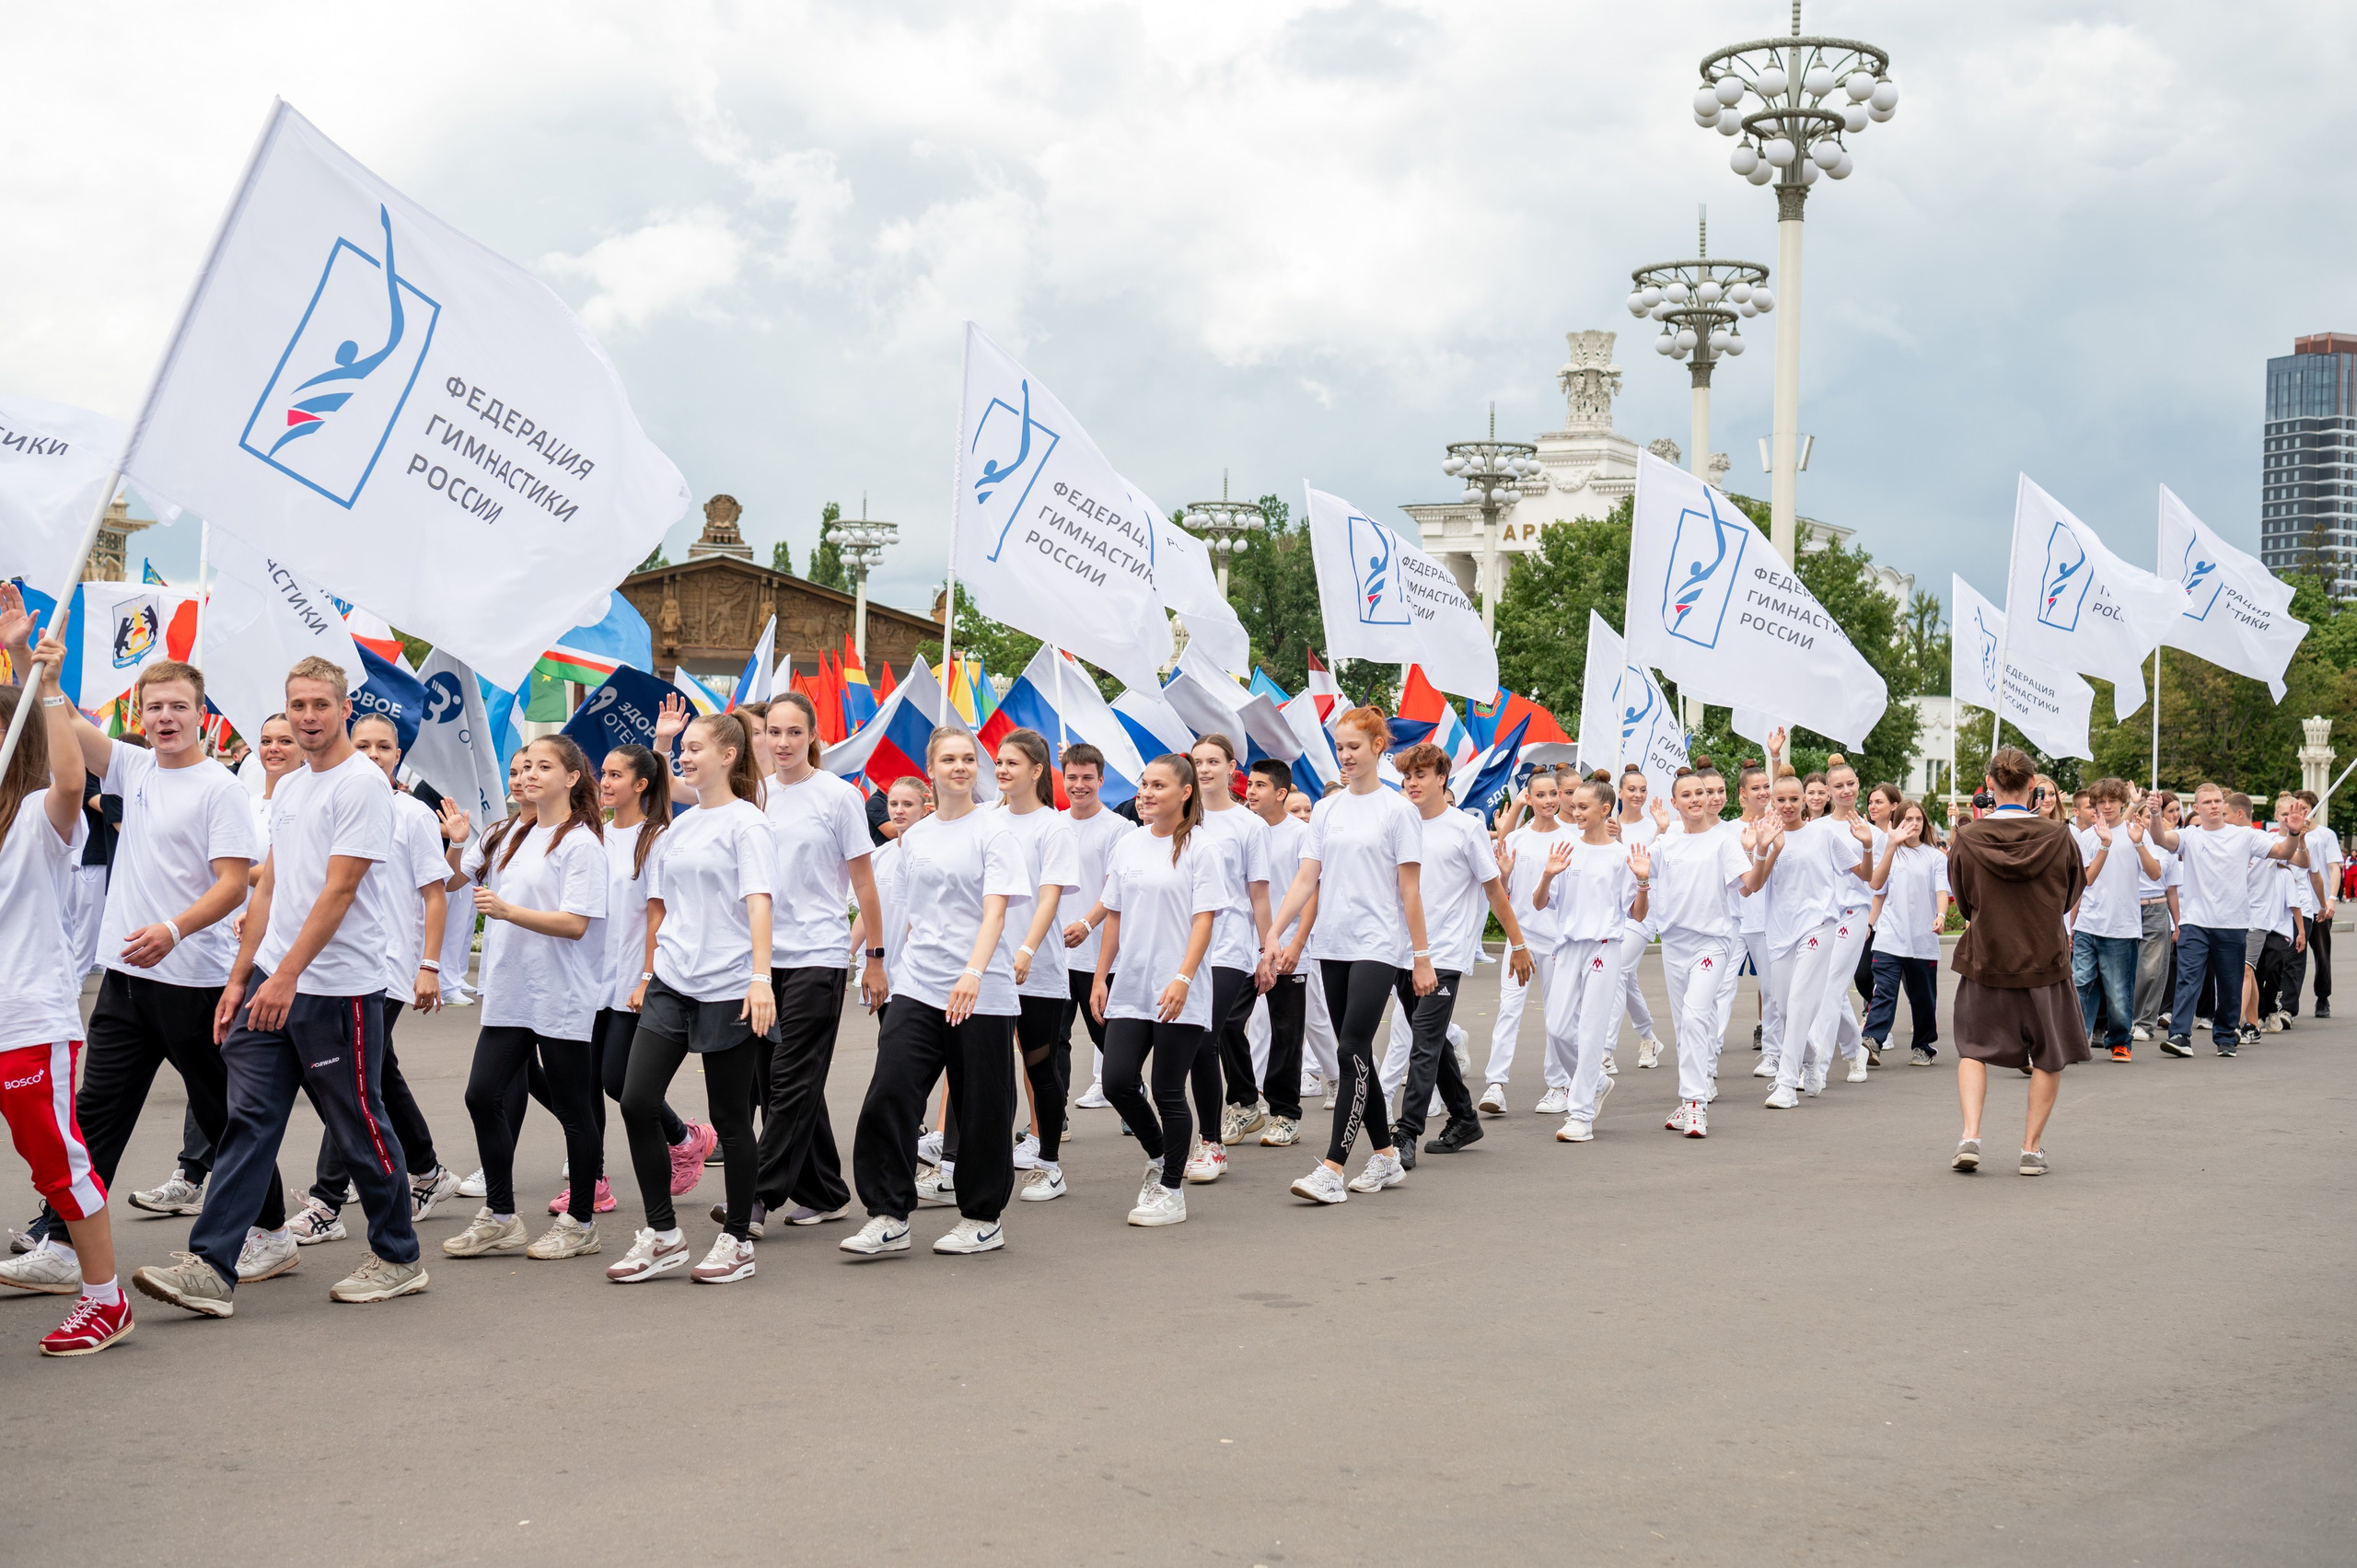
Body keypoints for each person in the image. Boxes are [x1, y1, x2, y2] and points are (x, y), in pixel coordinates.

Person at [133, 656, 428, 1317]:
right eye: (298, 705)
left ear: (344, 708)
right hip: (274, 981)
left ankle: (398, 1257)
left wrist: (287, 976)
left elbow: (340, 889)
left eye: (321, 704)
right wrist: (242, 977)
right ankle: (212, 1266)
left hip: (337, 989)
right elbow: (269, 886)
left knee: (358, 1124)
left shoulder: (362, 784)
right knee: (247, 1120)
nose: (308, 717)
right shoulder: (291, 786)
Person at [0, 598, 260, 1296]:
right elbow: (63, 731)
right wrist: (26, 658)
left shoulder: (219, 788)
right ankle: (59, 1241)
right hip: (125, 975)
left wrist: (174, 928)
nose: (166, 718)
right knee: (96, 1111)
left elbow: (233, 884)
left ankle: (267, 1226)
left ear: (200, 714)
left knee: (223, 1111)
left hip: (193, 977)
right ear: (140, 716)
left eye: (179, 707)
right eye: (154, 708)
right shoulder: (135, 768)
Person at [841, 727, 1029, 1257]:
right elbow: (903, 912)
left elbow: (995, 911)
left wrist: (974, 971)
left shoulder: (994, 832)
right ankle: (888, 1214)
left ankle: (982, 1217)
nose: (960, 766)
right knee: (890, 1092)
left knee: (980, 1107)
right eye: (949, 759)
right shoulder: (915, 838)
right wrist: (876, 963)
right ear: (931, 772)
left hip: (981, 992)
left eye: (968, 758)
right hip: (919, 986)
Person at [603, 713, 777, 1283]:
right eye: (683, 748)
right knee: (636, 1100)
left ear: (728, 755)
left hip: (730, 987)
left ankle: (737, 1242)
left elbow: (759, 901)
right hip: (673, 983)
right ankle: (663, 1234)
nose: (684, 755)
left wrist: (760, 978)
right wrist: (651, 971)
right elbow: (664, 907)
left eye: (695, 747)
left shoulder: (747, 823)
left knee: (731, 1120)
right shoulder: (679, 828)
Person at [0, 645, 134, 1353]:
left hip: (26, 1022)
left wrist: (39, 676)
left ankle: (105, 1301)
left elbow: (72, 777)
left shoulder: (36, 818)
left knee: (59, 1166)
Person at [284, 714, 461, 1243]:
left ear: (398, 754)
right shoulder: (334, 799)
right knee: (378, 1076)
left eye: (384, 746)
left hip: (387, 967)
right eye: (363, 745)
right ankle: (428, 1171)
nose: (374, 754)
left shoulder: (411, 813)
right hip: (334, 965)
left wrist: (429, 966)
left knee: (346, 1081)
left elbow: (436, 893)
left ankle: (326, 1202)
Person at [441, 737, 610, 1263]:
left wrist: (509, 911)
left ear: (572, 778)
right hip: (510, 989)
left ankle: (580, 1222)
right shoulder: (506, 832)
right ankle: (500, 1217)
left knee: (575, 1111)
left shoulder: (581, 843)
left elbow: (576, 924)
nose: (528, 775)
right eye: (524, 767)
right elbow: (451, 881)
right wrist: (456, 842)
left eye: (542, 767)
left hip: (560, 991)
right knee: (481, 1095)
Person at [1264, 705, 1433, 1202]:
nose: (1345, 755)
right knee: (1355, 1054)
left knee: (1350, 1049)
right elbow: (1306, 878)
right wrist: (1274, 932)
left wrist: (1421, 956)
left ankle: (1333, 1169)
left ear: (1378, 746)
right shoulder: (1327, 809)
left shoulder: (1398, 811)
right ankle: (1386, 1156)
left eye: (1354, 746)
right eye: (1339, 747)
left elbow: (1410, 891)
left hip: (1378, 943)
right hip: (1332, 942)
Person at [749, 693, 885, 1228]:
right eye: (774, 732)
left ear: (812, 736)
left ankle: (755, 1197)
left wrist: (873, 957)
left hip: (818, 954)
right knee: (779, 1081)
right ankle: (826, 1191)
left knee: (791, 1078)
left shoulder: (838, 796)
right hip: (764, 959)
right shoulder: (755, 795)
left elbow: (865, 883)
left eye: (793, 732)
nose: (783, 743)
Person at [1945, 749, 2092, 1176]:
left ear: (1990, 785)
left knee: (1973, 1048)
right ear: (2033, 785)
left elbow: (1964, 900)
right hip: (2044, 958)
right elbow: (2070, 895)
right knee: (2048, 1055)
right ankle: (2031, 1148)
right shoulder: (2060, 836)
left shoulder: (1967, 837)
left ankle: (1970, 1135)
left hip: (1987, 955)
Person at [1090, 754, 1221, 1226]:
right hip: (1131, 984)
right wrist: (1101, 976)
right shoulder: (1129, 844)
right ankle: (1161, 1154)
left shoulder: (1202, 848)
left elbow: (1204, 920)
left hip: (1178, 986)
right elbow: (1114, 914)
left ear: (1185, 793)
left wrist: (1183, 978)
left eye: (1158, 786)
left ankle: (1170, 1192)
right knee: (1116, 1082)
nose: (1146, 793)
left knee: (1168, 1090)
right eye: (1144, 784)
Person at [1387, 744, 1532, 1160]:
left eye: (1420, 775)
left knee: (1424, 1042)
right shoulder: (1398, 822)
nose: (1412, 783)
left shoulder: (1465, 828)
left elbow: (1494, 890)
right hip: (1403, 951)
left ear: (1441, 779)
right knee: (1430, 1040)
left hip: (1445, 953)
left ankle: (1406, 1134)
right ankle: (1465, 1118)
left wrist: (1518, 944)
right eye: (1407, 776)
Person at [587, 744, 715, 1215]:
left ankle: (684, 1138)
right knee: (585, 1084)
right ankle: (592, 1181)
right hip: (589, 980)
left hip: (631, 979)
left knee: (618, 1081)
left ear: (641, 785)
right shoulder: (593, 835)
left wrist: (646, 976)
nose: (605, 782)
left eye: (615, 775)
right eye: (603, 773)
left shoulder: (657, 838)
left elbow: (656, 915)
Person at [1526, 778, 1648, 1142]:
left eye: (1583, 807)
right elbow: (1539, 903)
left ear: (1605, 810)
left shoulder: (1620, 857)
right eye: (1574, 805)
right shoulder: (1566, 849)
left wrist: (1643, 882)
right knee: (1557, 1027)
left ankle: (1580, 1116)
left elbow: (1638, 914)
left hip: (1604, 947)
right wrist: (1547, 875)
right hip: (1567, 947)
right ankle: (1594, 1082)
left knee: (1591, 1030)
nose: (1575, 811)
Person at [1647, 767, 1768, 1137]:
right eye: (1687, 795)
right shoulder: (1666, 843)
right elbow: (1638, 873)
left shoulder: (1723, 841)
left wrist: (1761, 850)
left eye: (1700, 792)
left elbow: (1749, 886)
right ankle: (1690, 1098)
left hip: (1712, 941)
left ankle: (1695, 1103)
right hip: (1674, 942)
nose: (1696, 799)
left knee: (1696, 1014)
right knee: (1684, 1024)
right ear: (1675, 802)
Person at [2151, 783, 2305, 1058]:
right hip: (2195, 922)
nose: (2213, 805)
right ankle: (2180, 1035)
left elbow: (2283, 852)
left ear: (2223, 804)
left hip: (2233, 923)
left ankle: (2225, 1036)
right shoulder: (2189, 836)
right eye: (2207, 802)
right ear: (2196, 808)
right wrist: (2153, 814)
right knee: (2188, 979)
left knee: (2230, 983)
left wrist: (2293, 833)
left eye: (2217, 801)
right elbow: (2160, 839)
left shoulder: (2245, 835)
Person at [990, 729, 1080, 1201]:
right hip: (986, 969)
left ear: (1038, 770)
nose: (1002, 770)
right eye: (999, 762)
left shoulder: (1053, 826)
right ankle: (967, 1162)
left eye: (1012, 763)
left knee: (1039, 1067)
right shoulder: (987, 820)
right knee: (982, 1070)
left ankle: (1048, 1163)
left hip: (1036, 970)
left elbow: (1049, 897)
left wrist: (1025, 949)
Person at [1753, 772, 1874, 1109]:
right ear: (1773, 802)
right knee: (1783, 1008)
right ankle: (1810, 1057)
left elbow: (1865, 875)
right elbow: (1755, 885)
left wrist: (1867, 845)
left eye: (1794, 799)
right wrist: (1768, 849)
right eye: (1781, 800)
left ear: (1804, 800)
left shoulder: (1822, 834)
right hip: (1781, 933)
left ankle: (1786, 1085)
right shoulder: (1766, 836)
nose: (1788, 805)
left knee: (1800, 1004)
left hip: (1819, 926)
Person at [1189, 735, 1273, 1169]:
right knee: (1193, 1043)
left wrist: (1267, 949)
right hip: (1186, 944)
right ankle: (1213, 1125)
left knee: (1205, 1037)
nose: (1205, 769)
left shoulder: (1249, 825)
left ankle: (1210, 1144)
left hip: (1230, 945)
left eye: (1213, 762)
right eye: (1198, 762)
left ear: (1231, 768)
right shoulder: (1183, 818)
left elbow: (1258, 893)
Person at [1480, 771, 1566, 1116]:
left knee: (1558, 1016)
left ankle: (1558, 1085)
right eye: (1540, 795)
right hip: (1521, 940)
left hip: (1559, 941)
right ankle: (1495, 1084)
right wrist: (1503, 873)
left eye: (1553, 794)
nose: (1548, 801)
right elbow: (1500, 893)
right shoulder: (1516, 838)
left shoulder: (1571, 838)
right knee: (1509, 1008)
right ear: (1528, 799)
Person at [1056, 745, 1133, 1112]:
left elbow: (1114, 890)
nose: (1079, 785)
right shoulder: (1053, 825)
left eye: (1087, 777)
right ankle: (1054, 1118)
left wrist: (1087, 923)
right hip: (1056, 955)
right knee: (1054, 1043)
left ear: (1101, 779)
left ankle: (1132, 1102)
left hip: (1100, 954)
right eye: (1072, 777)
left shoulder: (1119, 829)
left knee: (1108, 1039)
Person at [1802, 757, 1883, 1087]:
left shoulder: (1873, 832)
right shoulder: (1815, 829)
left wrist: (1869, 844)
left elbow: (1876, 882)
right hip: (1821, 917)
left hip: (1853, 913)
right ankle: (1855, 1051)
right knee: (1826, 989)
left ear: (1858, 785)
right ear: (1828, 791)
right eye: (1838, 786)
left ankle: (1815, 1069)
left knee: (1831, 986)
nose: (1845, 790)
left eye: (1850, 784)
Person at [2069, 778, 2158, 1063]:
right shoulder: (2087, 837)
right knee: (2080, 984)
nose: (2106, 806)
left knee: (2118, 992)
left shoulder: (2135, 832)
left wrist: (2139, 843)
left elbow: (2155, 873)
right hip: (2087, 924)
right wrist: (2072, 924)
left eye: (2112, 801)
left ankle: (2119, 1041)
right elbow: (2084, 881)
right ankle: (2075, 1041)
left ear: (2123, 802)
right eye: (2100, 802)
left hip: (2121, 926)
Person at [1864, 799, 1948, 1065]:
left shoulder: (1935, 857)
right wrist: (1869, 925)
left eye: (1918, 819)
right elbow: (1877, 888)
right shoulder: (1889, 852)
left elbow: (1941, 891)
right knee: (1884, 991)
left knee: (1923, 998)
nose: (1914, 824)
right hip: (1889, 937)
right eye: (1908, 819)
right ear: (1897, 822)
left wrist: (1941, 916)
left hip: (1922, 940)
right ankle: (1872, 1041)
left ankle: (1923, 1046)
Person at [1607, 768, 1663, 1074]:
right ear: (1620, 792)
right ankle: (1648, 1037)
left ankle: (1604, 1051)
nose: (1638, 795)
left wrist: (1661, 832)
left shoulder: (1656, 827)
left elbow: (1654, 867)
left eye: (1642, 789)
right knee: (1626, 979)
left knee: (1619, 972)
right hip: (1611, 911)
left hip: (1642, 911)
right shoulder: (1607, 824)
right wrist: (1613, 837)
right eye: (1632, 789)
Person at [2130, 790, 2182, 1043]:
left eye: (2154, 816)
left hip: (2156, 908)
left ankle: (2144, 1023)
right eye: (2147, 815)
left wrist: (2177, 924)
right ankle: (2126, 1019)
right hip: (2128, 907)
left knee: (2151, 972)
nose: (2150, 820)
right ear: (2138, 818)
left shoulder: (2165, 847)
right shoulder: (2127, 839)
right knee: (2128, 969)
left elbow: (2170, 889)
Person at [2283, 790, 2339, 1020]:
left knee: (2322, 954)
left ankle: (2323, 997)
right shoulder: (2288, 835)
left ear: (2314, 809)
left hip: (2318, 906)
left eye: (2304, 808)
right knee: (2290, 956)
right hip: (2294, 907)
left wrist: (2331, 898)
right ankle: (2284, 1003)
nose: (2300, 812)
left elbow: (2333, 868)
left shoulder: (2325, 835)